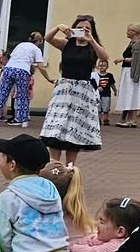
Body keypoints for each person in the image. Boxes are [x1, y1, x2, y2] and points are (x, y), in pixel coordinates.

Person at [40, 14, 109, 163]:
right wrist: (59, 27)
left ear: (92, 30)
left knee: (74, 130)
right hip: (64, 90)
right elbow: (48, 38)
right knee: (56, 127)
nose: (83, 30)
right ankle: (54, 166)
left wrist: (92, 40)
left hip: (82, 92)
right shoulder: (67, 43)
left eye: (87, 28)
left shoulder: (93, 46)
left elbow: (104, 57)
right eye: (79, 27)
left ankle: (70, 168)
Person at [0, 34, 52, 127]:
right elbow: (41, 66)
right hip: (22, 71)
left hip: (9, 69)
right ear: (39, 41)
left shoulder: (20, 45)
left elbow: (12, 57)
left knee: (2, 93)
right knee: (22, 96)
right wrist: (48, 78)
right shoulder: (36, 49)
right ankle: (23, 120)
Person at [115, 25, 140, 129]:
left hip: (133, 72)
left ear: (135, 32)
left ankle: (132, 120)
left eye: (129, 30)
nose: (127, 32)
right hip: (127, 71)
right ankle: (129, 119)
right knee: (128, 94)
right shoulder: (132, 43)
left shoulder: (139, 44)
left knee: (133, 94)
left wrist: (123, 59)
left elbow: (137, 59)